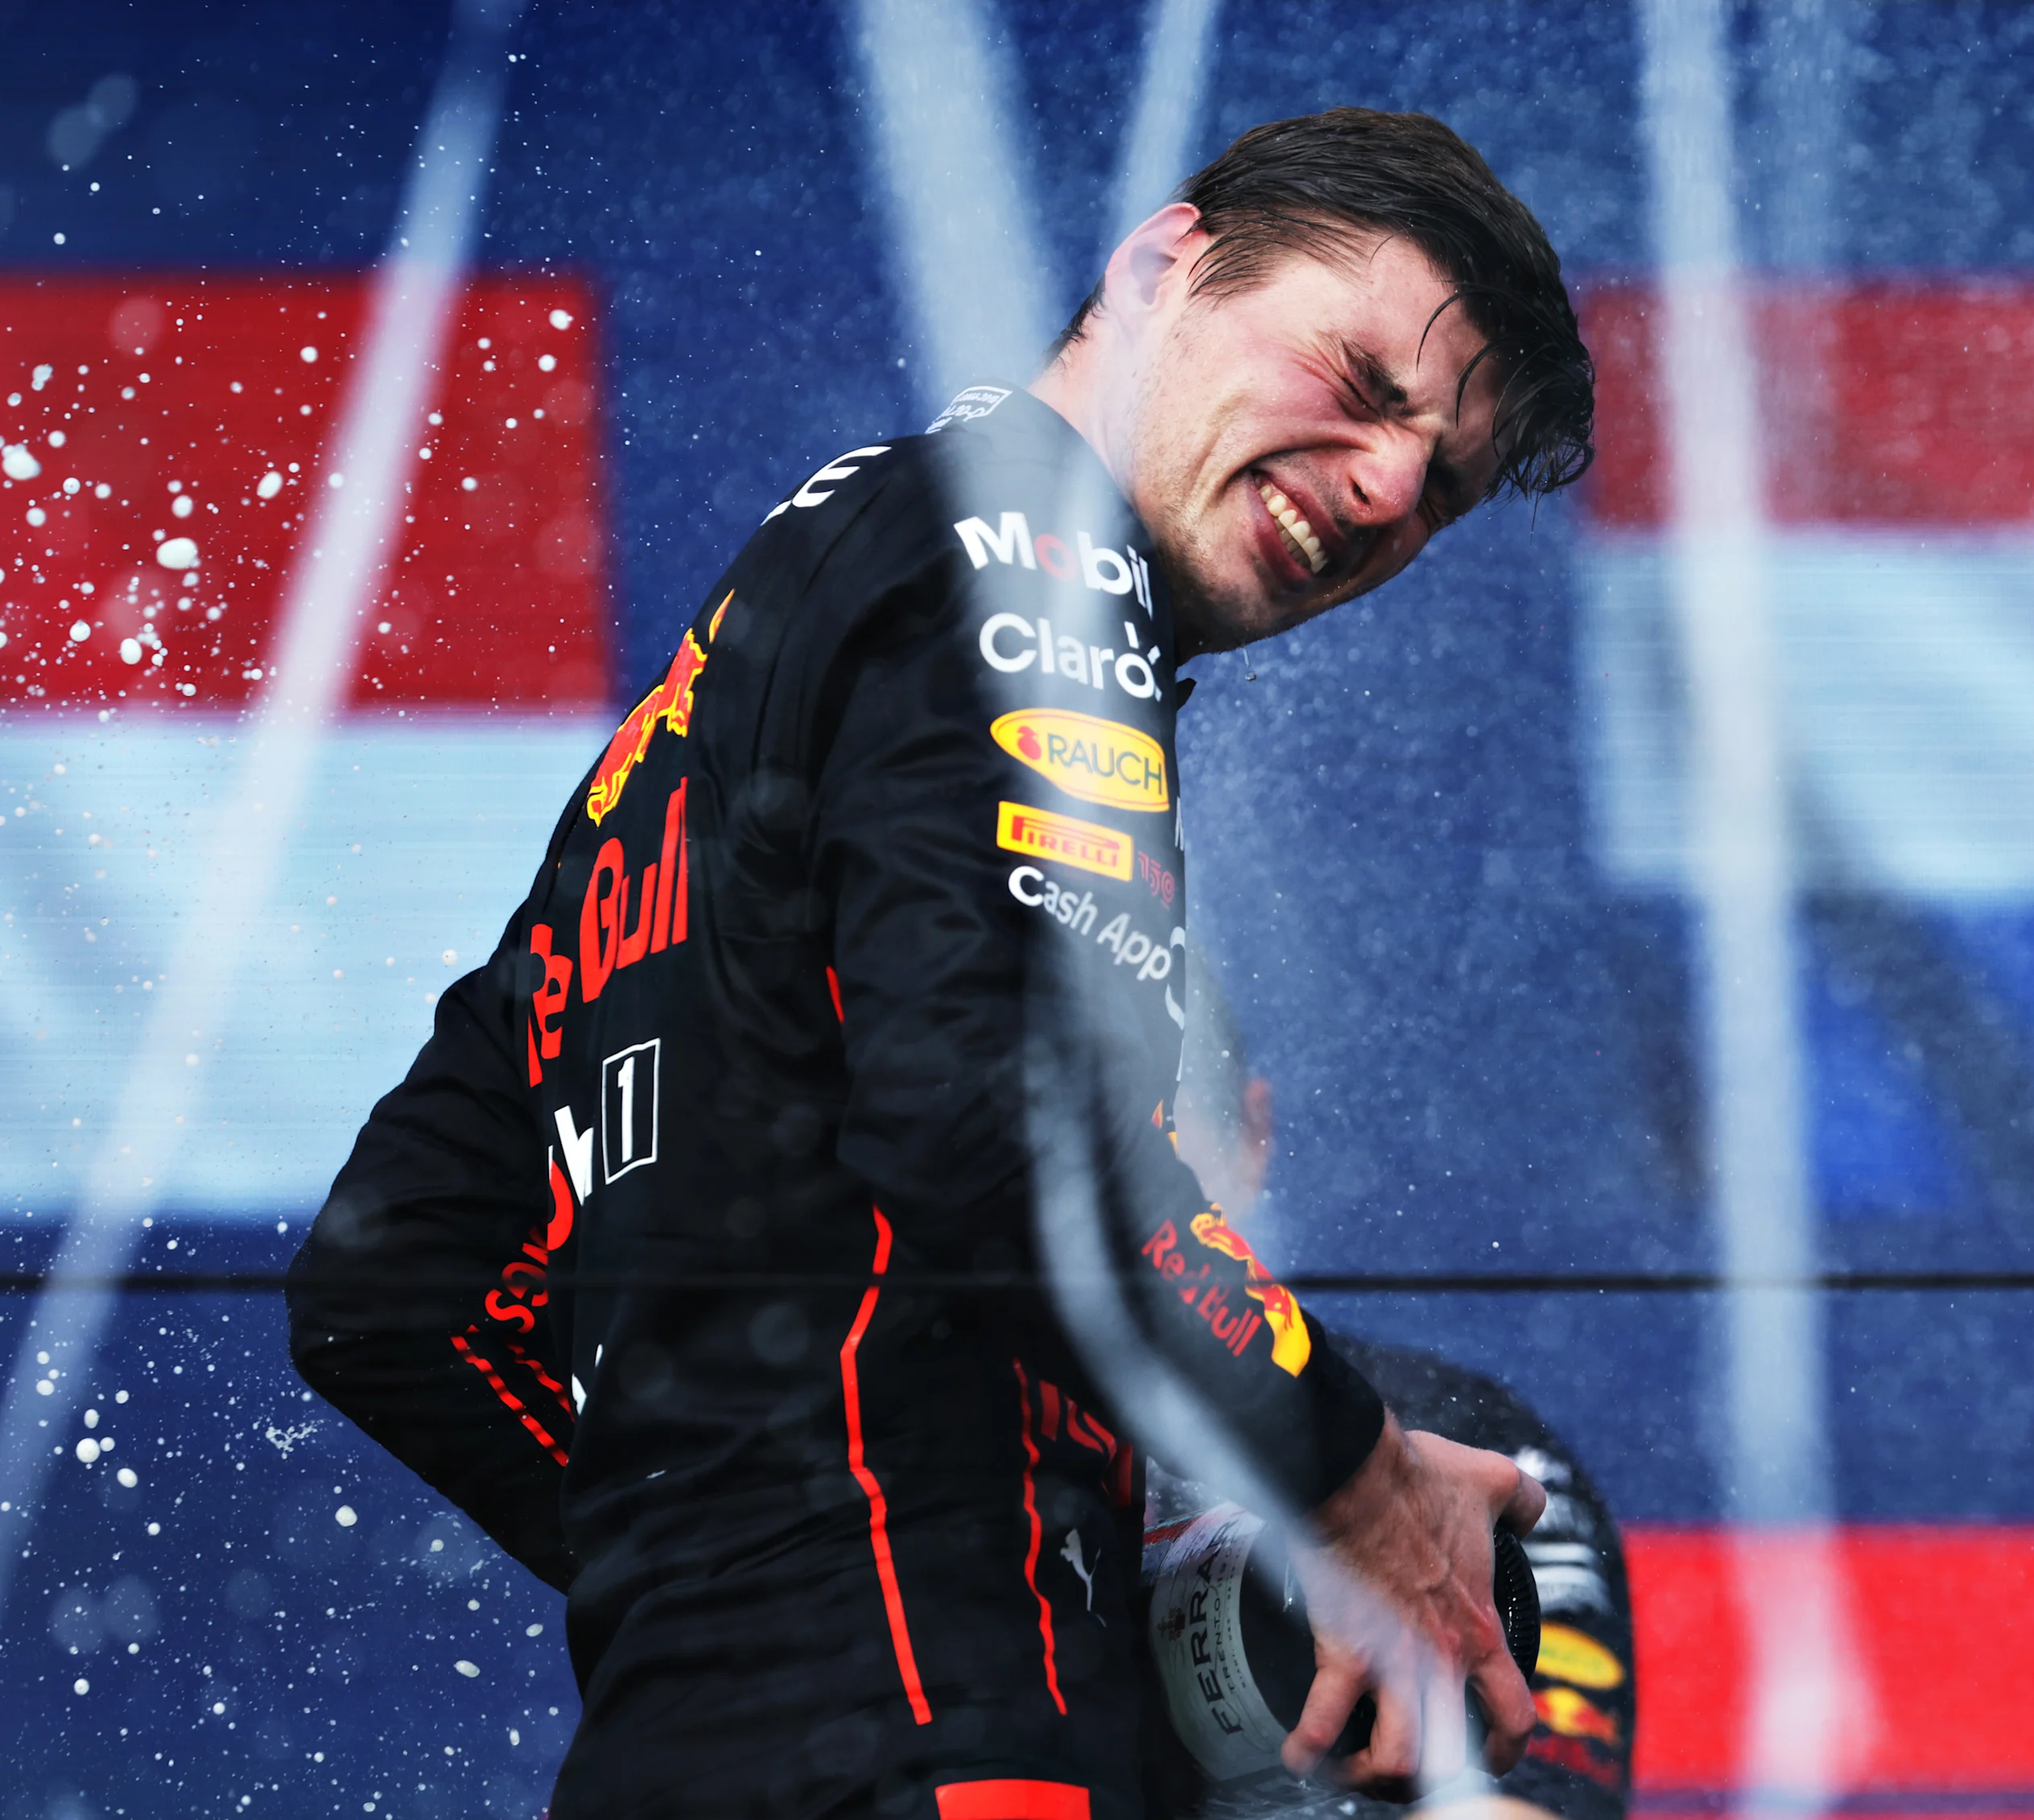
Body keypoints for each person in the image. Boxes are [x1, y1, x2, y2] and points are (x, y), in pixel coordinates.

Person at [284, 108, 1595, 1820]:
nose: (1386, 489)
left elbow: (402, 1284)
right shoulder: (1032, 561)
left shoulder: (754, 664)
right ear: (1157, 265)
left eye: (1445, 486)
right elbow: (999, 1128)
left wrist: (728, 1579)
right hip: (945, 1742)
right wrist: (1342, 1467)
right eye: (1361, 377)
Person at [1157, 972, 1636, 1820]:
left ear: (1254, 1134)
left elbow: (1522, 1805)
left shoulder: (1463, 1449)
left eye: (1160, 1121)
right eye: (1087, 1140)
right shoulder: (914, 1458)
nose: (1126, 1188)